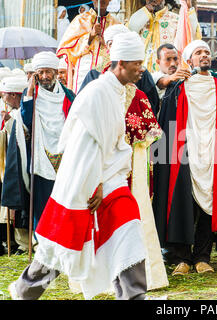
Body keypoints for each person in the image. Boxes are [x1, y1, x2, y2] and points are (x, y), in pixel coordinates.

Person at [8, 32, 149, 301]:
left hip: (111, 181)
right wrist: (93, 185)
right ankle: (25, 292)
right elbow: (83, 149)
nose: (141, 68)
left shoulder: (115, 91)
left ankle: (133, 296)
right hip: (85, 182)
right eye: (137, 63)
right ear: (121, 62)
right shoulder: (98, 93)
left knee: (128, 231)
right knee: (61, 245)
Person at [78, 26, 169, 291]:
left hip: (131, 170)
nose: (141, 69)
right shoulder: (96, 88)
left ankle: (134, 282)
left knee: (131, 223)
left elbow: (151, 133)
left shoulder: (140, 96)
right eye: (136, 64)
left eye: (142, 64)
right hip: (99, 168)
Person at [152, 40, 217, 276]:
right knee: (181, 204)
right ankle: (182, 258)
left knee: (210, 203)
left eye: (207, 52)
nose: (205, 55)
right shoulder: (177, 89)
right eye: (199, 52)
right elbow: (166, 125)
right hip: (183, 153)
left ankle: (203, 257)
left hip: (214, 153)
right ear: (189, 60)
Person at [19, 52, 75, 232]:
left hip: (65, 154)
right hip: (41, 154)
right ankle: (42, 244)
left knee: (64, 200)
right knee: (42, 203)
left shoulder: (68, 95)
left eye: (48, 72)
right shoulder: (30, 96)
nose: (44, 77)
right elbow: (27, 121)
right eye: (40, 73)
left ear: (56, 72)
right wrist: (29, 90)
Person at [78, 24, 160, 115]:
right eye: (111, 44)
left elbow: (152, 106)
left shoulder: (141, 73)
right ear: (107, 46)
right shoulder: (95, 75)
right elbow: (81, 108)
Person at [57, 0, 120, 93]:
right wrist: (90, 36)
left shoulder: (116, 24)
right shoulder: (80, 20)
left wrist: (106, 44)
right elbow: (67, 47)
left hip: (108, 72)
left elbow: (121, 51)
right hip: (84, 70)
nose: (101, 0)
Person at [128, 0, 201, 73]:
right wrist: (146, 11)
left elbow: (191, 35)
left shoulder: (176, 20)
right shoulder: (139, 19)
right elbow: (131, 29)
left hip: (169, 76)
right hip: (141, 76)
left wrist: (189, 9)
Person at [0, 75, 30, 255]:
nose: (3, 99)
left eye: (5, 95)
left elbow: (22, 134)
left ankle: (28, 243)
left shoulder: (23, 113)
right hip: (11, 165)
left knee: (23, 203)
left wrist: (10, 121)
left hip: (24, 165)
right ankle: (19, 241)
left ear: (13, 95)